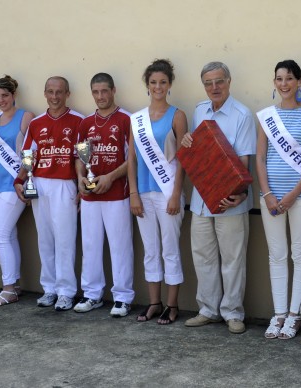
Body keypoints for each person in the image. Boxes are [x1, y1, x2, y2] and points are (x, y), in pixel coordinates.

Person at [181, 61, 256, 334]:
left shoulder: (243, 115)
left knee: (233, 258)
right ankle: (208, 310)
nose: (214, 87)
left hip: (230, 200)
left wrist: (240, 193)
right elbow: (197, 151)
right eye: (208, 83)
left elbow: (245, 159)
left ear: (229, 81)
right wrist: (187, 140)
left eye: (219, 81)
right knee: (203, 257)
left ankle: (233, 313)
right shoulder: (199, 110)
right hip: (201, 198)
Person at [255, 60, 301, 339]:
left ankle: (295, 315)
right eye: (279, 79)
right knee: (277, 256)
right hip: (270, 198)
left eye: (290, 78)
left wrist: (296, 191)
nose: (284, 84)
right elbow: (259, 158)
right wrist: (268, 193)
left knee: (300, 254)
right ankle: (279, 313)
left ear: (299, 82)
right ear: (274, 83)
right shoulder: (266, 116)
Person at [13, 76, 84, 311]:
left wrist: (82, 186)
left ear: (68, 94)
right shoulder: (36, 123)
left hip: (65, 185)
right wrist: (19, 180)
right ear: (45, 93)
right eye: (51, 92)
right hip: (39, 185)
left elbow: (83, 159)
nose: (55, 97)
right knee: (45, 239)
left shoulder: (79, 122)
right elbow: (27, 157)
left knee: (64, 239)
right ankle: (50, 289)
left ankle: (66, 291)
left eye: (59, 92)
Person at [127, 59, 187, 325]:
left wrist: (176, 193)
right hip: (144, 192)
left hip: (167, 192)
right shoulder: (136, 119)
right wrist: (133, 194)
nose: (158, 87)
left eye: (163, 82)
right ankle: (154, 302)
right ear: (147, 85)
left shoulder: (177, 115)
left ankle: (172, 305)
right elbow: (132, 160)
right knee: (150, 251)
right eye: (153, 82)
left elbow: (184, 158)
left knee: (170, 250)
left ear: (170, 84)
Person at [73, 73, 135, 318]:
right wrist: (80, 178)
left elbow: (133, 158)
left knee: (120, 247)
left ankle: (122, 297)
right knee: (90, 246)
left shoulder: (126, 119)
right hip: (90, 197)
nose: (100, 96)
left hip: (117, 194)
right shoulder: (85, 123)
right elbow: (80, 156)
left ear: (113, 90)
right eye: (96, 92)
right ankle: (92, 294)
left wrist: (111, 177)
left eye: (104, 91)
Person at [0, 75, 34, 307]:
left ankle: (8, 288)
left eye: (5, 96)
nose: (1, 100)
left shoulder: (26, 117)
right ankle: (15, 284)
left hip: (14, 184)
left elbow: (29, 152)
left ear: (14, 96)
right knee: (8, 234)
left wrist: (25, 180)